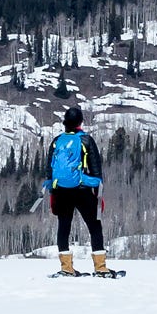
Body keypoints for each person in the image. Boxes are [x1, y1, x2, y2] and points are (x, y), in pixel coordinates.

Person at [46, 105, 107, 277]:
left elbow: (49, 170)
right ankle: (100, 268)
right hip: (83, 190)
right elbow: (96, 169)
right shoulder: (86, 140)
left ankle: (66, 267)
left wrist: (53, 193)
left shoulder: (57, 141)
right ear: (80, 122)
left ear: (65, 122)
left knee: (64, 227)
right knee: (95, 226)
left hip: (61, 191)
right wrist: (98, 193)